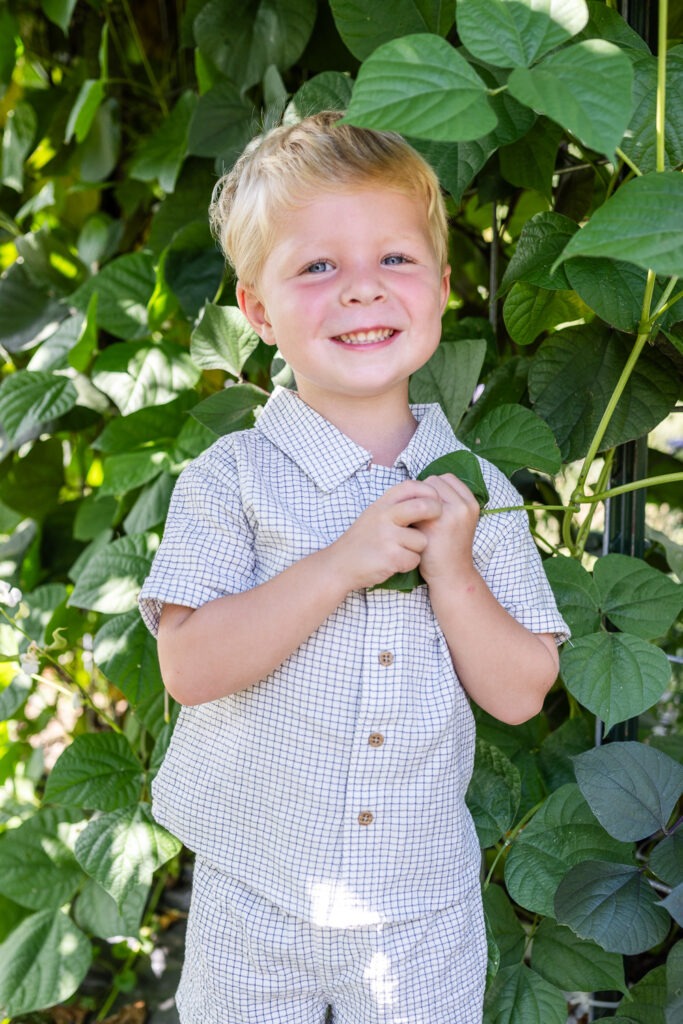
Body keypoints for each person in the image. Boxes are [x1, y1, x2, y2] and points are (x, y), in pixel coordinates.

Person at [138, 111, 569, 1024]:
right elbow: (189, 667)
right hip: (255, 892)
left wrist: (452, 573)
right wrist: (341, 563)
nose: (362, 291)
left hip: (419, 910)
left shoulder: (476, 492)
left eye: (395, 260)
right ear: (257, 309)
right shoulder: (231, 480)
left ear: (443, 288)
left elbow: (522, 692)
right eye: (318, 267)